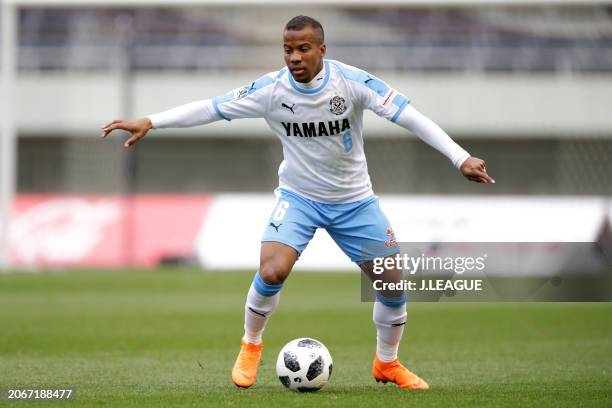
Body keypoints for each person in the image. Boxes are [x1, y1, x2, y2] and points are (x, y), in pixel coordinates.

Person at [102, 15, 494, 390]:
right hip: (299, 198)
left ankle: (387, 363)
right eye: (287, 50)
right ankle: (251, 346)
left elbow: (410, 117)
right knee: (272, 270)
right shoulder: (271, 90)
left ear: (322, 49)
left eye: (303, 49)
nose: (293, 58)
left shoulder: (352, 83)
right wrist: (151, 121)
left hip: (355, 201)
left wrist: (460, 157)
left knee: (392, 285)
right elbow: (212, 107)